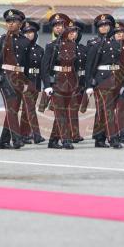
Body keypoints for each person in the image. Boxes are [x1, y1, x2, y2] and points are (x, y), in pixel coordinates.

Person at [0, 9, 31, 149]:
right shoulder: (1, 40)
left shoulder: (26, 41)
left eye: (14, 21)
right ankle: (17, 139)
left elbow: (27, 64)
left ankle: (3, 141)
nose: (10, 24)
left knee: (13, 109)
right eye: (8, 21)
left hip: (19, 78)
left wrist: (27, 82)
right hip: (5, 77)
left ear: (20, 24)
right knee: (12, 108)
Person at [86, 14, 123, 148]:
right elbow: (89, 65)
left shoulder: (116, 43)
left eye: (106, 25)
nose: (104, 27)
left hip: (115, 79)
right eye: (101, 25)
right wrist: (89, 84)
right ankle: (112, 138)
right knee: (108, 109)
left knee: (103, 110)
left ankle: (99, 138)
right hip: (101, 80)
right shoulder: (94, 44)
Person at [42, 18, 80, 149]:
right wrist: (47, 85)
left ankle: (53, 140)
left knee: (62, 112)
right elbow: (45, 67)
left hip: (70, 82)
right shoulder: (52, 46)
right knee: (60, 112)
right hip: (57, 82)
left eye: (62, 26)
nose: (60, 28)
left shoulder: (73, 46)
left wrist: (76, 82)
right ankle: (66, 139)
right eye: (56, 26)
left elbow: (75, 66)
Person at [18, 20, 45, 144]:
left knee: (26, 110)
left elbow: (43, 69)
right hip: (25, 81)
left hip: (36, 82)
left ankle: (23, 134)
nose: (29, 35)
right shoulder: (21, 48)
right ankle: (36, 134)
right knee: (30, 108)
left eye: (31, 32)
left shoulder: (40, 50)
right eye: (26, 32)